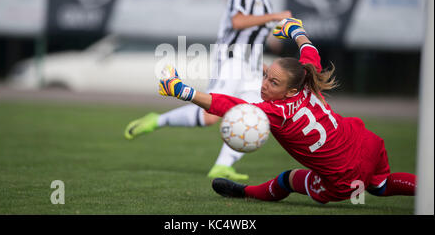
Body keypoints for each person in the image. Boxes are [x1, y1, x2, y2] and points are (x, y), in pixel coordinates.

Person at [157, 17, 417, 204]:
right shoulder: (307, 77)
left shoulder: (276, 111)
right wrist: (296, 30)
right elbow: (309, 50)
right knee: (380, 186)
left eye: (273, 82)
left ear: (290, 90)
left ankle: (244, 192)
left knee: (287, 180)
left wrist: (181, 90)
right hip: (368, 143)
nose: (264, 85)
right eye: (267, 76)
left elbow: (228, 105)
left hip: (344, 178)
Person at [124, 0, 292, 181]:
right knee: (210, 115)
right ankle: (156, 120)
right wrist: (275, 17)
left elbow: (254, 38)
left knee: (255, 114)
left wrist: (269, 53)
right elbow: (237, 22)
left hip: (250, 66)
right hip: (232, 60)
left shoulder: (263, 1)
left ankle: (222, 166)